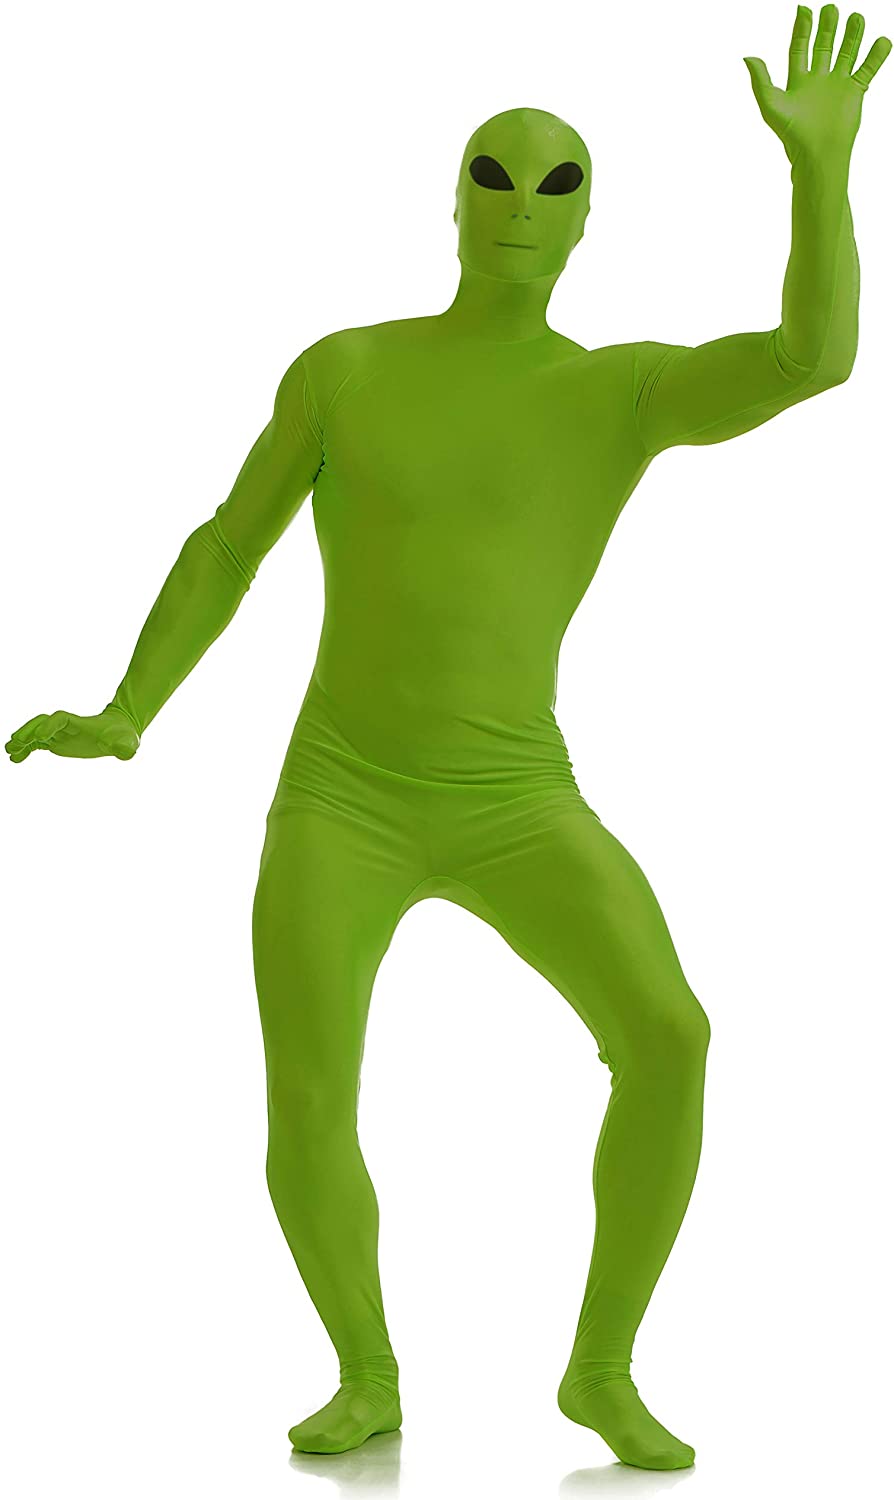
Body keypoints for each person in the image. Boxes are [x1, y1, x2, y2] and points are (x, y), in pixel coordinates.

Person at [7, 3, 889, 1472]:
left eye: (558, 182)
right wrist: (129, 708)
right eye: (495, 171)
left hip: (515, 795)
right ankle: (366, 1374)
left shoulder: (618, 389)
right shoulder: (346, 368)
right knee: (309, 1091)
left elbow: (812, 357)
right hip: (338, 797)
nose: (522, 201)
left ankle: (601, 1369)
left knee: (668, 1035)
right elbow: (228, 545)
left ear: (591, 218)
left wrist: (819, 167)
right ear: (451, 195)